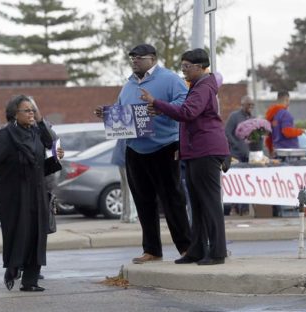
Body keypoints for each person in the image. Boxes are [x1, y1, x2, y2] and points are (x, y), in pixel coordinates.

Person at [95, 44, 191, 264]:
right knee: (143, 201)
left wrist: (159, 107)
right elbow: (123, 109)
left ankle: (187, 247)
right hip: (135, 149)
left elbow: (184, 104)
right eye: (132, 58)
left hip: (164, 146)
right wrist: (108, 113)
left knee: (172, 200)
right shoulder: (129, 84)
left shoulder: (170, 79)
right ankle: (152, 250)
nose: (135, 61)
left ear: (153, 59)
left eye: (140, 57)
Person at [140, 48, 230, 265]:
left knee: (209, 204)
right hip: (195, 151)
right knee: (197, 204)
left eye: (187, 66)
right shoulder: (198, 86)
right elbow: (188, 115)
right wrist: (163, 111)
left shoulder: (204, 87)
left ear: (200, 67)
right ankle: (197, 250)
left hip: (206, 151)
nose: (183, 70)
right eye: (182, 66)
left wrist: (156, 103)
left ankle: (217, 252)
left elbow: (187, 113)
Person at [0, 95, 64, 292]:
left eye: (33, 110)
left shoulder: (36, 134)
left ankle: (30, 281)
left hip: (37, 193)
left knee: (37, 235)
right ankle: (13, 268)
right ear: (14, 114)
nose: (32, 114)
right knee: (19, 234)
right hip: (14, 195)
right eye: (27, 110)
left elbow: (38, 167)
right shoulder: (5, 136)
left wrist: (55, 160)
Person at [264, 91, 305, 156]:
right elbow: (287, 132)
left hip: (277, 150)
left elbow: (268, 135)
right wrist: (301, 131)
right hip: (289, 151)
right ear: (287, 100)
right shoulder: (285, 114)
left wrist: (270, 150)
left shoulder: (272, 115)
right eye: (288, 101)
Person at [111, 139, 137, 223]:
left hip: (121, 160)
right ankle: (131, 216)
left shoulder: (123, 133)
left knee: (125, 188)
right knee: (129, 189)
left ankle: (125, 215)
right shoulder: (129, 135)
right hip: (126, 160)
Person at [225, 95, 255, 162]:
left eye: (252, 104)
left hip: (248, 154)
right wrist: (236, 144)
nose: (251, 106)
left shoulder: (253, 118)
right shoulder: (234, 116)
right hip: (235, 155)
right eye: (248, 104)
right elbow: (227, 132)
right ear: (242, 105)